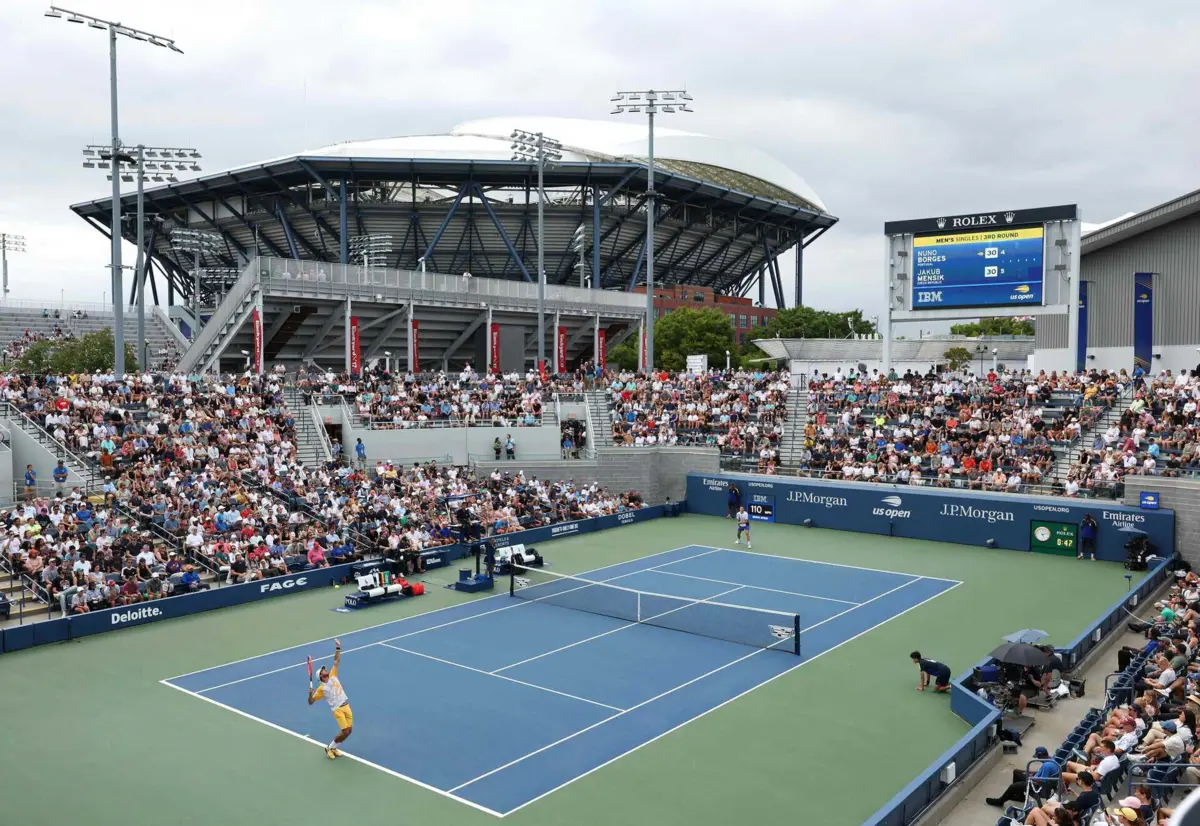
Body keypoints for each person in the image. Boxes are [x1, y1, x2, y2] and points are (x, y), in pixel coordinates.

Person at [308, 638, 353, 759]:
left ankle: (333, 748)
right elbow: (311, 702)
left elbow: (336, 660)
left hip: (346, 705)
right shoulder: (321, 689)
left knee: (349, 731)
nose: (325, 670)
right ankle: (329, 748)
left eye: (325, 669)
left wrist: (338, 647)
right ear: (321, 676)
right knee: (345, 731)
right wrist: (310, 694)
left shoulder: (333, 674)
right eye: (323, 670)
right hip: (338, 709)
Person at [985, 746, 1061, 807]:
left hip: (1038, 786)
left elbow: (1041, 781)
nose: (1037, 758)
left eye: (1038, 756)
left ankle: (1000, 801)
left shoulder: (1047, 766)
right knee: (1016, 772)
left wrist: (1031, 777)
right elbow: (1044, 774)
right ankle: (1019, 796)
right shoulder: (1051, 760)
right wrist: (1033, 773)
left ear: (1041, 755)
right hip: (1038, 780)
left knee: (1013, 786)